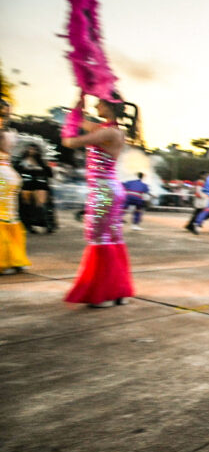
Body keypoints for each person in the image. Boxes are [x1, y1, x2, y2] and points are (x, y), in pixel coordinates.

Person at [62, 92, 135, 307]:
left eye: (99, 103)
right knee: (112, 238)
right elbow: (80, 122)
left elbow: (70, 141)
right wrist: (78, 105)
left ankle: (104, 293)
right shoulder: (110, 130)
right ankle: (118, 291)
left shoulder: (108, 132)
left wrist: (72, 123)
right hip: (110, 189)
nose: (96, 107)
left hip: (103, 191)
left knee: (99, 238)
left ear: (108, 106)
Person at [1, 96, 31, 274]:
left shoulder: (4, 133)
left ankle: (5, 259)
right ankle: (15, 258)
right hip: (9, 174)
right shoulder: (9, 132)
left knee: (2, 217)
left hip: (2, 176)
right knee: (10, 216)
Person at [16, 142, 57, 234]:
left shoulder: (41, 162)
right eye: (30, 148)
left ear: (37, 151)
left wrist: (46, 167)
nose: (32, 151)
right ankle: (29, 225)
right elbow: (17, 172)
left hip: (40, 185)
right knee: (27, 206)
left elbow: (49, 174)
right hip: (27, 185)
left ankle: (48, 224)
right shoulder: (21, 161)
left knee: (42, 205)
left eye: (34, 149)